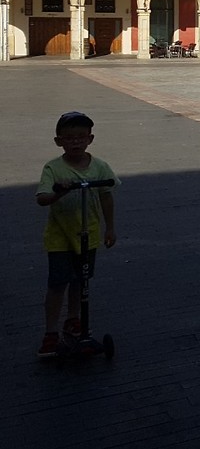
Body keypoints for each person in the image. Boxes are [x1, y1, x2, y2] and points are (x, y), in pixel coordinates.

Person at [36, 112, 118, 358]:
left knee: (80, 280)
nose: (75, 142)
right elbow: (42, 198)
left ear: (90, 139)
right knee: (58, 283)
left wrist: (110, 227)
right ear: (58, 141)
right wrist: (58, 193)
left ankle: (73, 319)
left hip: (88, 233)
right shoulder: (53, 168)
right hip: (60, 237)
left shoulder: (100, 166)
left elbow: (106, 194)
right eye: (69, 138)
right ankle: (51, 333)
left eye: (81, 137)